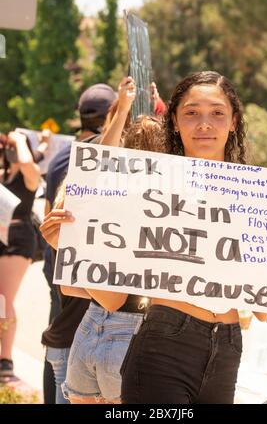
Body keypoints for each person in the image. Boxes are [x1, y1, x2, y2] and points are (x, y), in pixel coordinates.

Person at [119, 71, 267, 404]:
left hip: (228, 346)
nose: (205, 123)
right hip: (165, 344)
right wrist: (66, 239)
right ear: (173, 121)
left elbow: (264, 312)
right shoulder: (149, 186)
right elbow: (104, 287)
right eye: (192, 112)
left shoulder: (255, 198)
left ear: (233, 122)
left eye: (218, 112)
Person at [40, 76, 164, 404]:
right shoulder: (145, 207)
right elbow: (105, 297)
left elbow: (70, 287)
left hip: (74, 335)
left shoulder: (70, 171)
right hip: (109, 338)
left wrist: (71, 255)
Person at [41, 83, 116, 404]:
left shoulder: (61, 158)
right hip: (89, 294)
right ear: (112, 116)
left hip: (61, 273)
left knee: (59, 339)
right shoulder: (101, 159)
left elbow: (48, 217)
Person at [0, 131, 40, 378]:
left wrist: (18, 139)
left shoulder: (29, 176)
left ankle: (6, 358)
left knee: (4, 298)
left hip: (18, 239)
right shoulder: (2, 175)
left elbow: (26, 162)